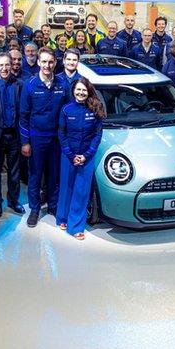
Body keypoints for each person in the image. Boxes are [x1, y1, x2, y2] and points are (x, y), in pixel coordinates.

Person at [20, 49, 70, 227]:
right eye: (44, 62)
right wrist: (25, 142)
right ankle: (34, 209)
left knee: (54, 174)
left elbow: (68, 112)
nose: (47, 65)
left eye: (50, 62)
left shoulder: (63, 84)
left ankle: (53, 206)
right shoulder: (30, 84)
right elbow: (24, 115)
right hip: (36, 139)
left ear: (55, 63)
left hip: (56, 139)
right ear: (39, 63)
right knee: (35, 175)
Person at [56, 78, 104, 240]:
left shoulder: (95, 108)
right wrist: (71, 154)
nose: (81, 93)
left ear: (89, 91)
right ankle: (62, 218)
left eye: (84, 90)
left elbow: (97, 135)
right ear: (73, 91)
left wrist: (86, 155)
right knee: (66, 187)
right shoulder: (66, 110)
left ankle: (76, 226)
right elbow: (61, 134)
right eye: (78, 90)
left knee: (81, 191)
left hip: (87, 157)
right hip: (68, 156)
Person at [0, 54, 24, 216]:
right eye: (1, 65)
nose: (4, 68)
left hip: (14, 135)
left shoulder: (19, 85)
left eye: (7, 64)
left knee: (15, 173)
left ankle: (14, 201)